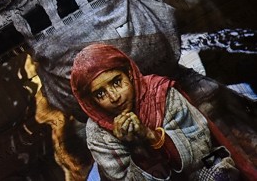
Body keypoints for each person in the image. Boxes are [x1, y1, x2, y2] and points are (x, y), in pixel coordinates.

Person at [70, 44, 239, 180]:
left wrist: (151, 136)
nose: (114, 97)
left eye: (116, 82)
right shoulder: (98, 132)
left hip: (200, 167)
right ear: (91, 102)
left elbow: (201, 148)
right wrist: (137, 150)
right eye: (100, 94)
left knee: (218, 169)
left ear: (129, 74)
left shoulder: (161, 93)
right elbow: (120, 177)